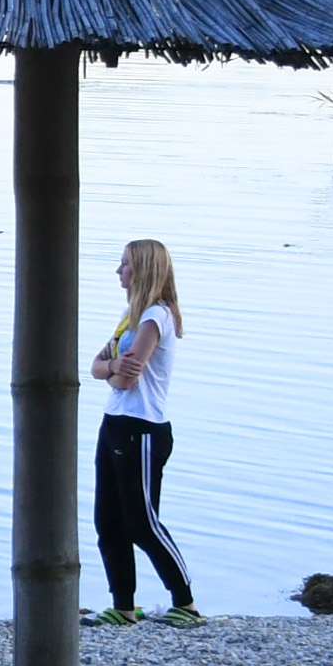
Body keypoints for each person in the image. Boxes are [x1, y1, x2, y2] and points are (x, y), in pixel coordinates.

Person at [89, 238, 195, 626]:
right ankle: (122, 605)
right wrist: (112, 368)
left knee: (142, 522)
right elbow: (96, 368)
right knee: (108, 521)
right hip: (113, 424)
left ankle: (185, 603)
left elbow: (124, 378)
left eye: (125, 265)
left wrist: (112, 369)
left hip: (143, 429)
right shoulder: (130, 316)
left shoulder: (156, 317)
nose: (119, 271)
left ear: (144, 270)